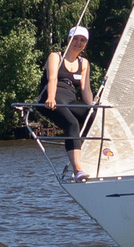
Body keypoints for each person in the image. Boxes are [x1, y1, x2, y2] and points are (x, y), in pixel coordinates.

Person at [42, 25, 98, 180]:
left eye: (82, 40)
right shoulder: (56, 57)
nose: (78, 43)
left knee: (93, 118)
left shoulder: (84, 63)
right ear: (68, 40)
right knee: (72, 124)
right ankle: (77, 169)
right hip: (52, 98)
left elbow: (85, 89)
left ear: (85, 44)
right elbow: (52, 78)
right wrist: (51, 97)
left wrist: (92, 109)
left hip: (70, 99)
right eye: (75, 39)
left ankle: (89, 160)